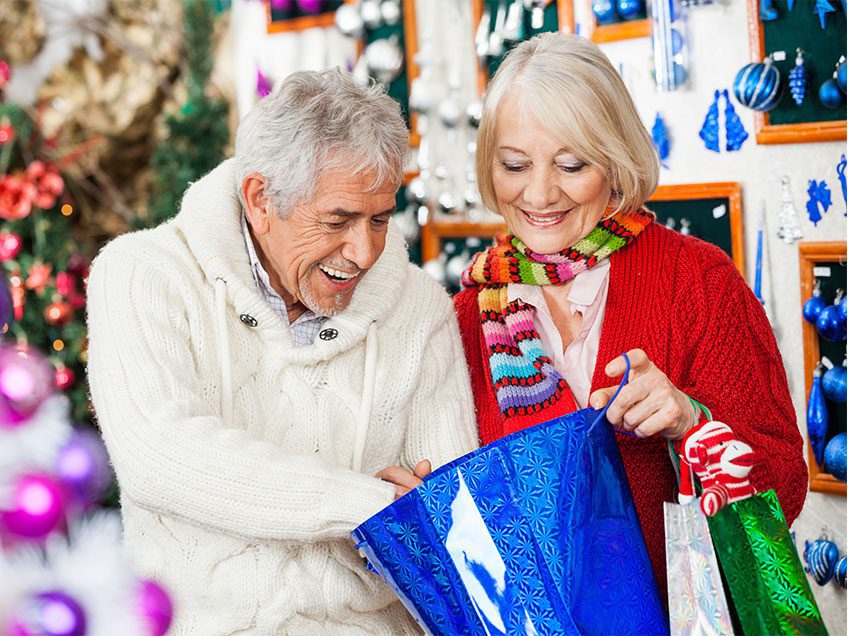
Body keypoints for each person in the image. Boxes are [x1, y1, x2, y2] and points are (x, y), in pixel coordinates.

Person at [87, 69, 477, 634]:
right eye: (337, 221)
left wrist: (423, 515)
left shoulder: (420, 308)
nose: (364, 251)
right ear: (260, 198)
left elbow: (449, 517)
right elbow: (159, 455)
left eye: (379, 219)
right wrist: (365, 504)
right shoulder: (142, 274)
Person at [454, 33, 807, 602]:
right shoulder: (468, 314)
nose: (539, 194)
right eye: (514, 165)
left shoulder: (698, 281)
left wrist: (691, 424)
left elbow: (785, 488)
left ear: (616, 161)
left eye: (571, 164)